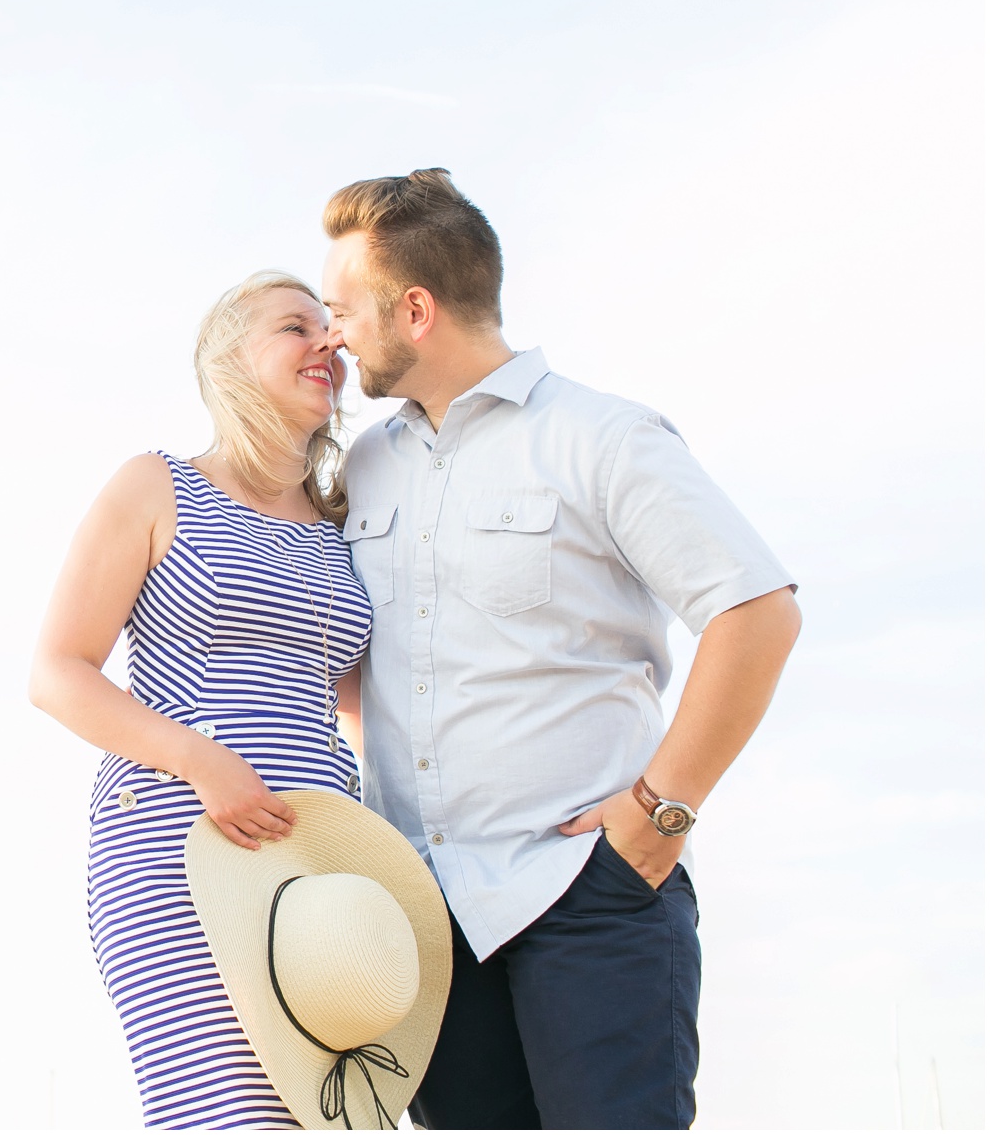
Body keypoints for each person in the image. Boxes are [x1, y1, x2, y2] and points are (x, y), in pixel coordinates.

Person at [318, 168, 802, 1129]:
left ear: (414, 309)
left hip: (590, 895)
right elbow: (358, 661)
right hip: (430, 923)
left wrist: (655, 819)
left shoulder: (601, 436)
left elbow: (757, 610)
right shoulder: (366, 467)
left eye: (341, 308)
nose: (333, 333)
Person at [30, 270, 372, 1129]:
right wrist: (197, 757)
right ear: (228, 361)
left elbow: (367, 710)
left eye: (329, 326)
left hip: (320, 864)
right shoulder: (157, 485)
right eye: (296, 326)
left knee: (320, 1117)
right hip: (177, 846)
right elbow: (58, 669)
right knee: (229, 1115)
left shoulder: (344, 528)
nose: (327, 341)